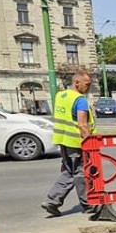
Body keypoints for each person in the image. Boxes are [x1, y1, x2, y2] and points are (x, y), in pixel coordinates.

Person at [42, 71, 96, 217]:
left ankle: (52, 201)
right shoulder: (80, 100)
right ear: (77, 83)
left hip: (63, 140)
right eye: (87, 84)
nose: (89, 87)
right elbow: (82, 124)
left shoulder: (61, 95)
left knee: (68, 171)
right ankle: (88, 204)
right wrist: (90, 144)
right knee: (80, 173)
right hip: (76, 142)